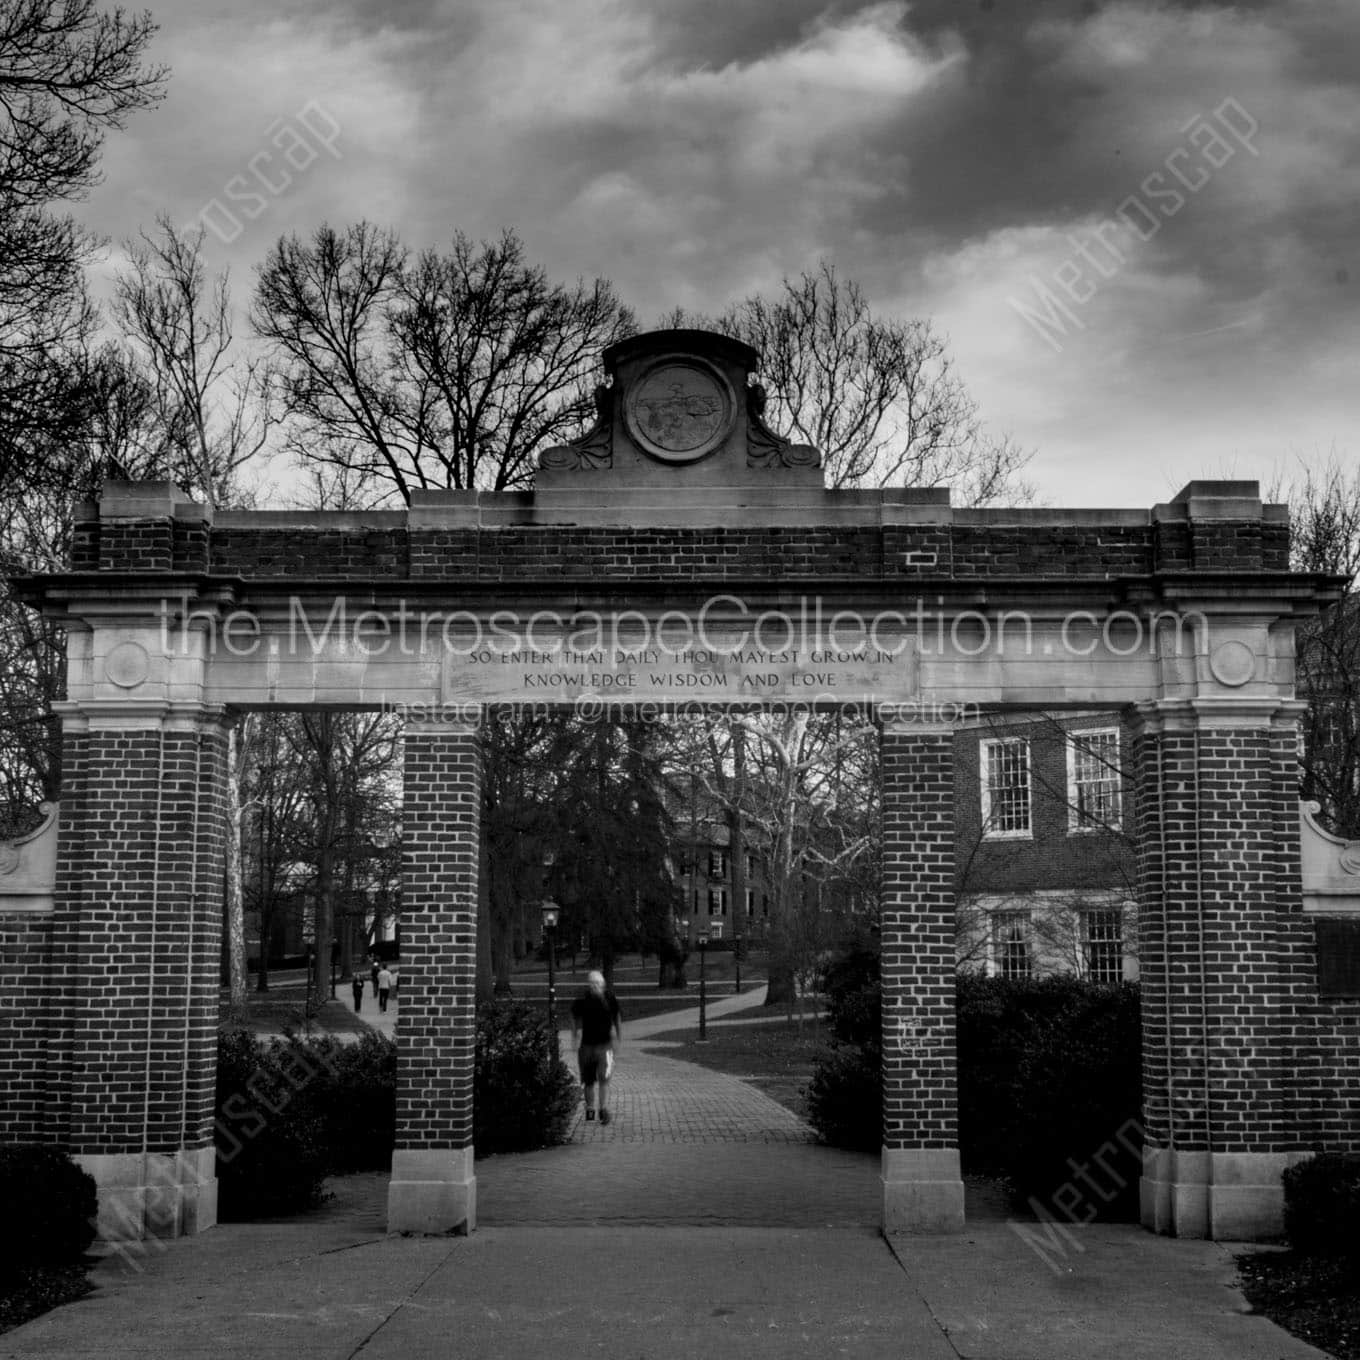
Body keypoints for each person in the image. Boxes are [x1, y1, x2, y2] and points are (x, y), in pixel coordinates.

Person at [570, 970, 621, 1125]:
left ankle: (603, 1108)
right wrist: (574, 1035)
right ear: (588, 984)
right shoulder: (582, 1000)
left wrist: (618, 1037)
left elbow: (617, 1017)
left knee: (604, 1079)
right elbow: (573, 1016)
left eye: (598, 983)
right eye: (592, 983)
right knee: (589, 1081)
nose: (595, 986)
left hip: (605, 1046)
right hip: (586, 1047)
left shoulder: (610, 999)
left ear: (603, 984)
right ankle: (590, 1109)